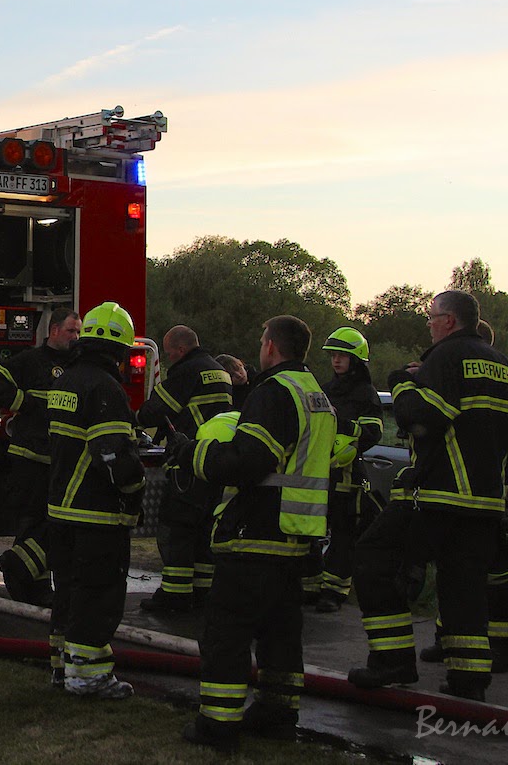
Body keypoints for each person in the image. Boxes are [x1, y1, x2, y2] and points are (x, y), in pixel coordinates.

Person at [348, 291, 508, 701]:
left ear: (449, 321)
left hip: (437, 495)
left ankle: (393, 660)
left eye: (431, 318)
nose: (428, 324)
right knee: (464, 588)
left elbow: (420, 416)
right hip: (486, 503)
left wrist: (403, 382)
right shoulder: (505, 368)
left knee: (373, 557)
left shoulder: (445, 359)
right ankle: (469, 681)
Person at [178, 315, 336, 751]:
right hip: (295, 536)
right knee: (280, 634)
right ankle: (278, 714)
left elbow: (251, 460)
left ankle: (218, 725)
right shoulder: (316, 394)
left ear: (271, 346)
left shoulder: (272, 392)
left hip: (254, 531)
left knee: (226, 633)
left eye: (261, 339)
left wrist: (196, 454)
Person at [419, 319, 508, 673]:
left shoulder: (493, 373)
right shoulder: (506, 373)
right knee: (461, 571)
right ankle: (452, 637)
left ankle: (503, 642)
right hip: (486, 489)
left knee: (497, 571)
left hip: (494, 490)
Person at [44, 301, 146, 698]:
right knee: (96, 597)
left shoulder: (66, 380)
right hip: (96, 515)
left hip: (62, 511)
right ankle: (89, 679)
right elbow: (112, 455)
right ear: (119, 348)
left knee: (68, 595)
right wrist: (135, 488)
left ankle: (62, 670)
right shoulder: (105, 388)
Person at [0, 307, 82, 605]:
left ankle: (37, 583)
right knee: (31, 522)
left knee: (53, 525)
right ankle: (29, 587)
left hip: (62, 461)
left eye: (79, 332)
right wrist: (25, 402)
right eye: (71, 331)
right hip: (31, 459)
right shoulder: (30, 361)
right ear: (53, 331)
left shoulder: (79, 365)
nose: (76, 337)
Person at [137, 326, 234, 612]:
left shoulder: (187, 371)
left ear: (180, 349)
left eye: (168, 353)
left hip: (188, 460)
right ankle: (203, 590)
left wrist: (133, 417)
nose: (169, 358)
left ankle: (175, 595)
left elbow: (155, 409)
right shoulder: (219, 370)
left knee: (178, 526)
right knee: (204, 529)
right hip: (215, 460)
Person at [308, 327, 383, 612]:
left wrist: (343, 424)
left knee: (342, 534)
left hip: (347, 475)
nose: (336, 361)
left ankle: (334, 591)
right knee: (313, 529)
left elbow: (372, 433)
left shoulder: (366, 394)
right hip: (319, 471)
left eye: (343, 356)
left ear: (357, 359)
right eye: (333, 356)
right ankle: (311, 585)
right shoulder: (325, 390)